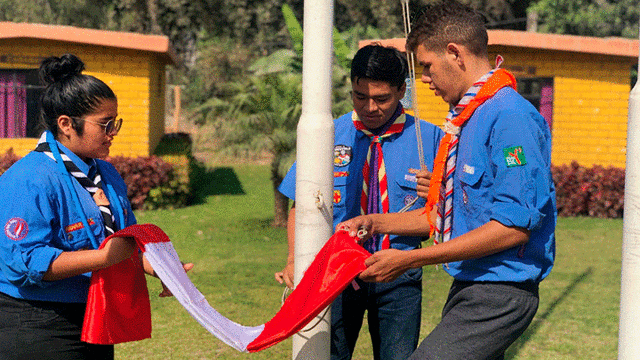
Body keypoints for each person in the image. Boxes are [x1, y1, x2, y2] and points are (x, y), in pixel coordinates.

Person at [338, 2, 556, 359]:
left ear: (454, 53)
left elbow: (513, 228)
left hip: (500, 293)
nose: (424, 79)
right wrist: (374, 223)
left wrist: (411, 260)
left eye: (426, 65)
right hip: (469, 286)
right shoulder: (466, 121)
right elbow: (441, 217)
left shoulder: (509, 117)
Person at [0, 54, 190, 360]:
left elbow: (125, 239)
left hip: (95, 316)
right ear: (66, 124)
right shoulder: (29, 179)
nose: (113, 132)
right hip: (38, 324)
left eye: (115, 122)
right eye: (105, 124)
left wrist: (161, 269)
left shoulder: (106, 173)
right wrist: (102, 258)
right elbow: (25, 261)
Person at [275, 44, 444, 360]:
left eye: (382, 99)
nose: (370, 107)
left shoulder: (429, 140)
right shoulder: (327, 134)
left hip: (399, 273)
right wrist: (293, 260)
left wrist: (434, 195)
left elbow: (436, 217)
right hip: (336, 273)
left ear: (402, 91)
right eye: (359, 96)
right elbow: (301, 206)